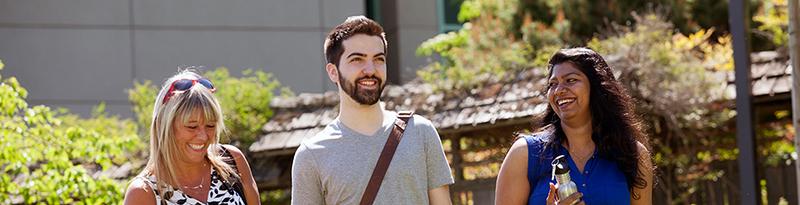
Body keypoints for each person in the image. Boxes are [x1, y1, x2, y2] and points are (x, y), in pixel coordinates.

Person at [291, 16, 454, 205]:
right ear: (333, 72)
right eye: (357, 59)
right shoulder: (312, 155)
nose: (370, 69)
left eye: (378, 59)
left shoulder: (421, 132)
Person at [495, 48, 654, 205]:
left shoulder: (634, 155)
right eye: (553, 84)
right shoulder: (525, 154)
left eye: (570, 80)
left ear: (597, 87)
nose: (558, 90)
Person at [124, 69, 260, 205]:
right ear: (162, 126)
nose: (203, 136)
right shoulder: (143, 193)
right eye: (192, 127)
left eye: (210, 125)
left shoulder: (232, 161)